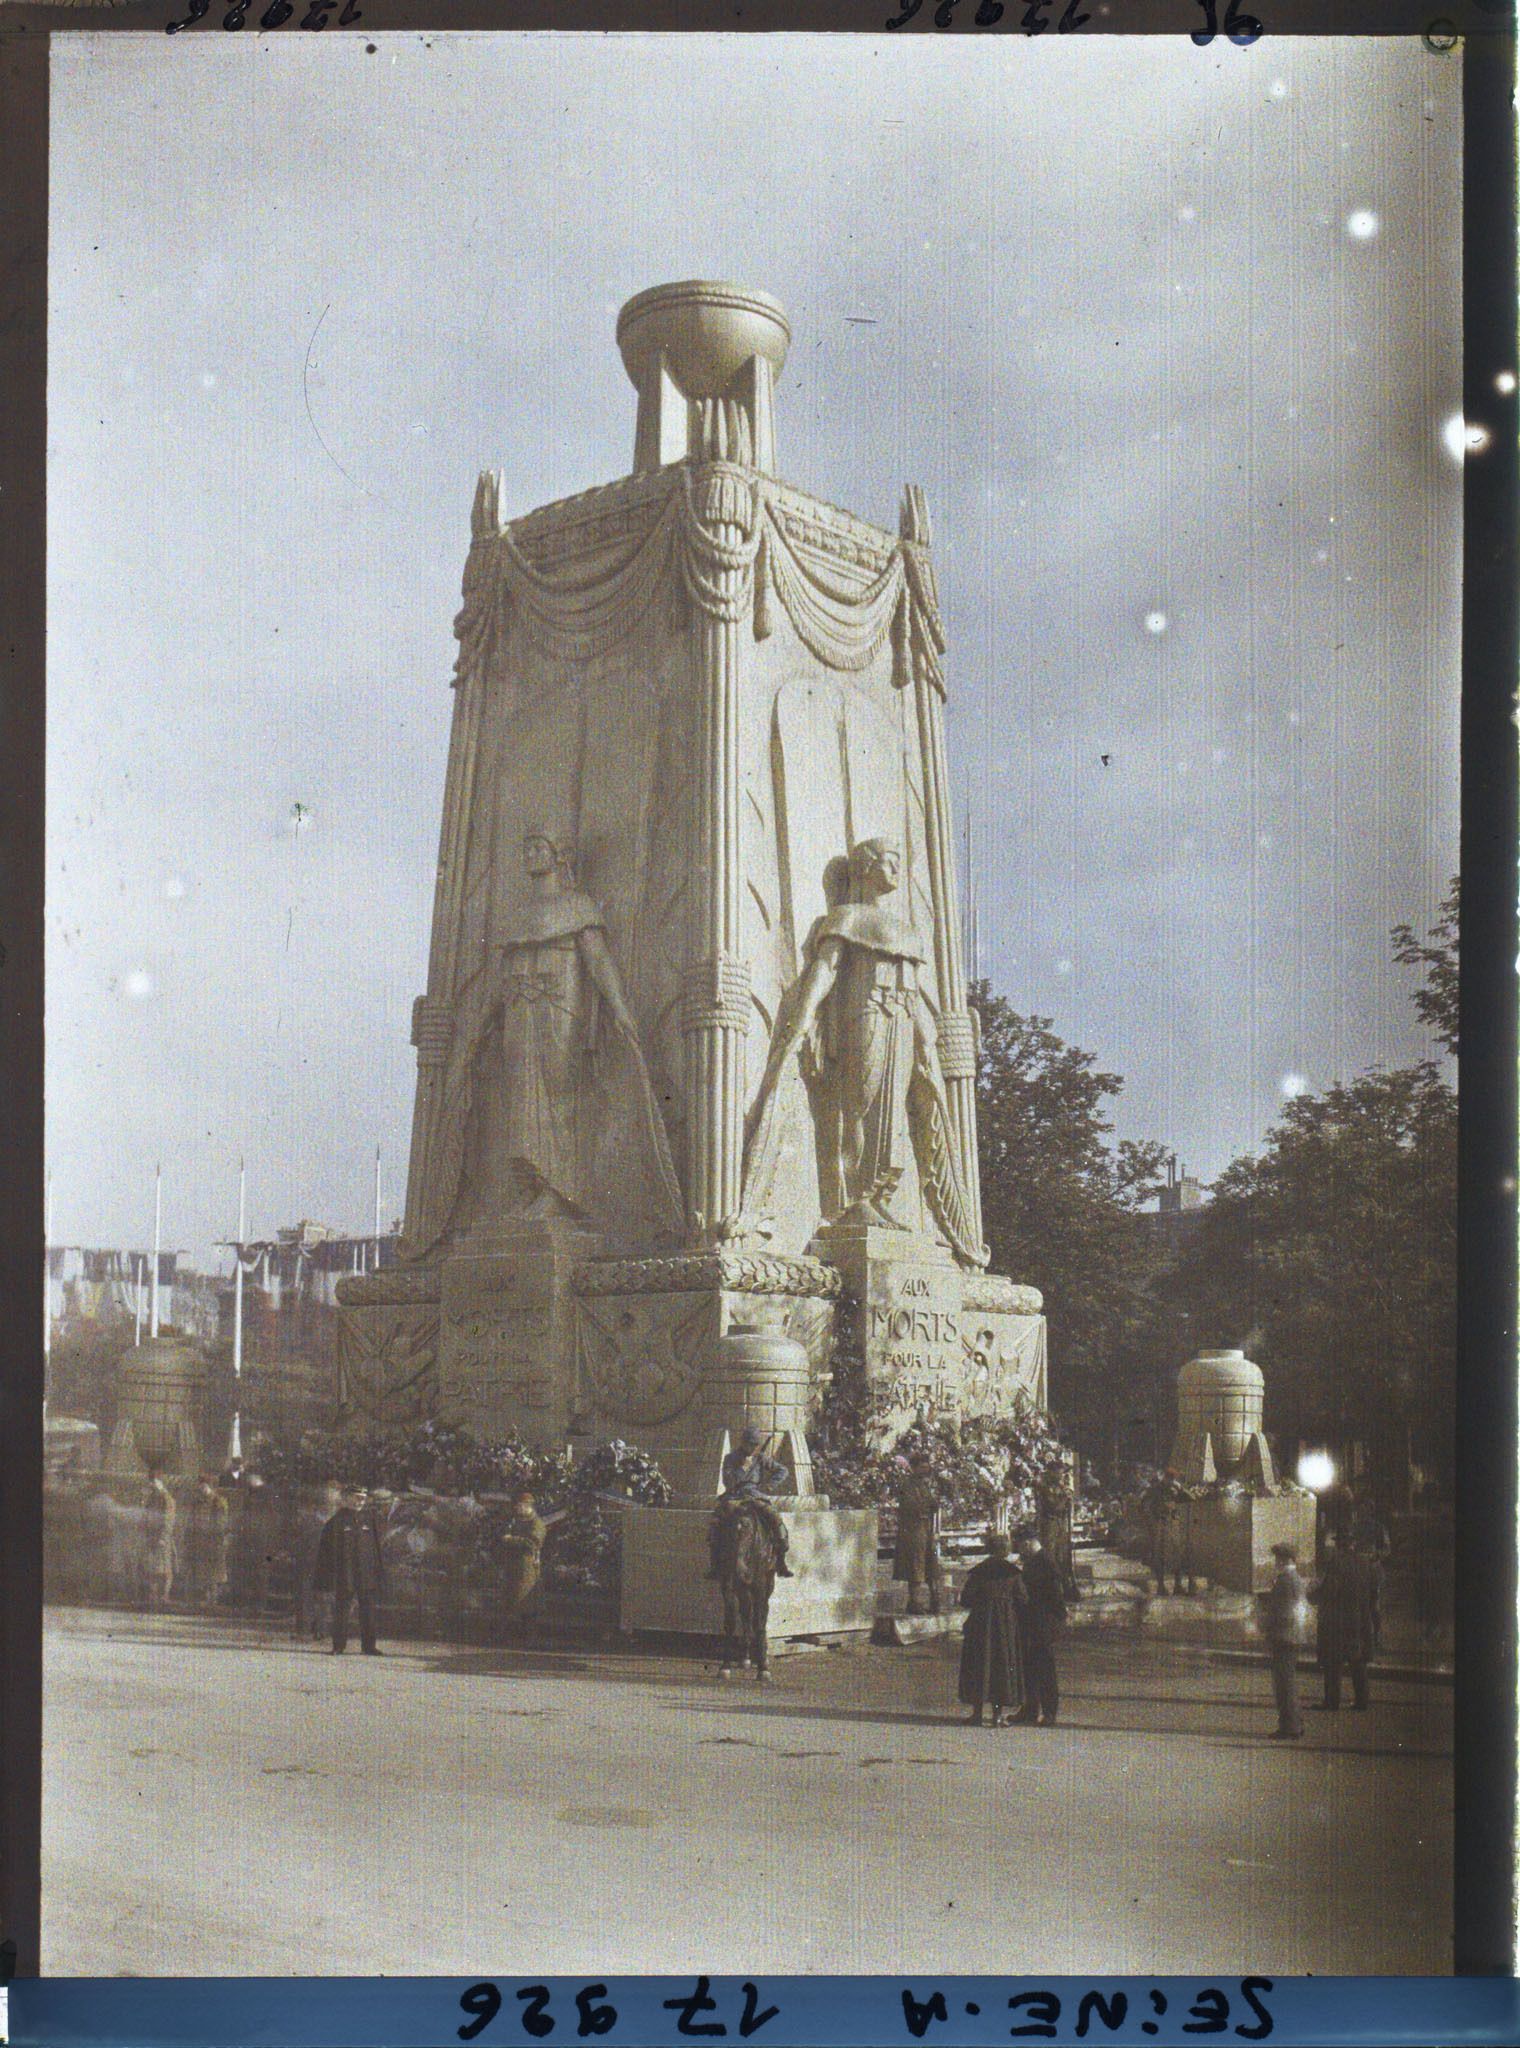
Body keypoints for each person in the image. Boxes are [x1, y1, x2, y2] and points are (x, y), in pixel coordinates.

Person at [957, 1529, 1027, 1727]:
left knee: (979, 1665)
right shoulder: (1013, 1573)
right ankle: (997, 1715)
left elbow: (966, 1599)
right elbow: (1023, 1598)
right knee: (1002, 1665)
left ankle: (977, 1714)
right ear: (1006, 1550)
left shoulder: (979, 1572)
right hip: (1005, 1624)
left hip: (980, 1622)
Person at [708, 1426, 794, 1578]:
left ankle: (781, 1562)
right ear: (743, 1443)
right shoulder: (731, 1458)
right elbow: (727, 1481)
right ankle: (714, 1564)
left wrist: (768, 1485)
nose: (753, 1448)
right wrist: (741, 1468)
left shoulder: (760, 1458)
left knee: (776, 1519)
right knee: (715, 1523)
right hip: (735, 1497)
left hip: (755, 1495)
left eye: (756, 1445)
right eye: (750, 1444)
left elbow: (783, 1471)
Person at [313, 1487, 385, 1656]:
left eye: (363, 1498)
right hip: (345, 1574)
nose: (360, 1502)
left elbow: (375, 1549)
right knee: (342, 1610)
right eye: (356, 1498)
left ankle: (369, 1646)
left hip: (365, 1573)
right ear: (346, 1499)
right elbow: (326, 1554)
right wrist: (327, 1578)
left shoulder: (369, 1520)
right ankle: (338, 1646)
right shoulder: (335, 1523)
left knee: (368, 1610)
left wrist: (377, 1571)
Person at [1310, 1533, 1376, 1710]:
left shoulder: (1336, 1563)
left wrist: (1312, 1595)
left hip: (1337, 1621)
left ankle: (1332, 1701)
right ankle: (1362, 1702)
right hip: (1360, 1619)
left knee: (1333, 1662)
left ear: (1338, 1544)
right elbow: (1373, 1589)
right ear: (1353, 1544)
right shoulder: (1365, 1563)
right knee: (1358, 1661)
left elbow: (1330, 1590)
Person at [1013, 1530, 1066, 1726]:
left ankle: (1049, 1712)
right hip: (1033, 1622)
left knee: (1044, 1668)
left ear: (1027, 1543)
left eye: (1019, 1545)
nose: (1018, 1550)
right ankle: (1030, 1709)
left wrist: (1053, 1623)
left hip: (1043, 1622)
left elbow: (1055, 1597)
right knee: (1030, 1667)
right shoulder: (1036, 1560)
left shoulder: (1044, 1561)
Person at [1259, 1539, 1308, 1739]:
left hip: (1285, 1637)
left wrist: (1266, 1624)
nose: (1275, 1562)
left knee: (1284, 1685)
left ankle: (1289, 1727)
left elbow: (1285, 1612)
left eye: (1278, 1558)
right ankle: (1295, 1722)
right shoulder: (1292, 1578)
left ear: (1285, 1559)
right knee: (1288, 1682)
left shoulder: (1286, 1580)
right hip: (1291, 1636)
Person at [892, 1452, 943, 1615]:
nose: (925, 1470)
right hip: (913, 1530)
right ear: (913, 1468)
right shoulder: (907, 1484)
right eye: (922, 1467)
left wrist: (930, 1504)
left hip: (925, 1529)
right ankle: (914, 1602)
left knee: (931, 1564)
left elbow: (934, 1505)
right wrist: (926, 1506)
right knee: (916, 1565)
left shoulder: (926, 1485)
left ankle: (935, 1600)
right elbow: (909, 1505)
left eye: (927, 1467)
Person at [499, 1490, 548, 1623]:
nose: (517, 1508)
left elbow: (533, 1543)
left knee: (527, 1604)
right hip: (513, 1567)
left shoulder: (537, 1524)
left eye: (520, 1506)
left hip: (527, 1569)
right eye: (517, 1505)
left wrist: (510, 1540)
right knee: (513, 1603)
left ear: (528, 1506)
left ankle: (526, 1633)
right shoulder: (516, 1521)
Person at [184, 1474, 231, 1609]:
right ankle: (203, 1598)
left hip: (213, 1542)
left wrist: (216, 1540)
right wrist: (188, 1538)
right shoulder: (197, 1502)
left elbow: (220, 1524)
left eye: (204, 1485)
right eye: (200, 1485)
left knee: (213, 1573)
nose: (201, 1488)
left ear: (210, 1486)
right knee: (201, 1572)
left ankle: (213, 1599)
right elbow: (190, 1521)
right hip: (199, 1541)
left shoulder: (218, 1501)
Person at [139, 1474, 177, 1609]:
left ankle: (164, 1596)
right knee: (152, 1567)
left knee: (165, 1568)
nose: (152, 1485)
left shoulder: (167, 1499)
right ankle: (153, 1595)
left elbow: (168, 1520)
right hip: (151, 1536)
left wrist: (163, 1537)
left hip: (162, 1538)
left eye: (155, 1483)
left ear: (161, 1483)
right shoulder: (152, 1498)